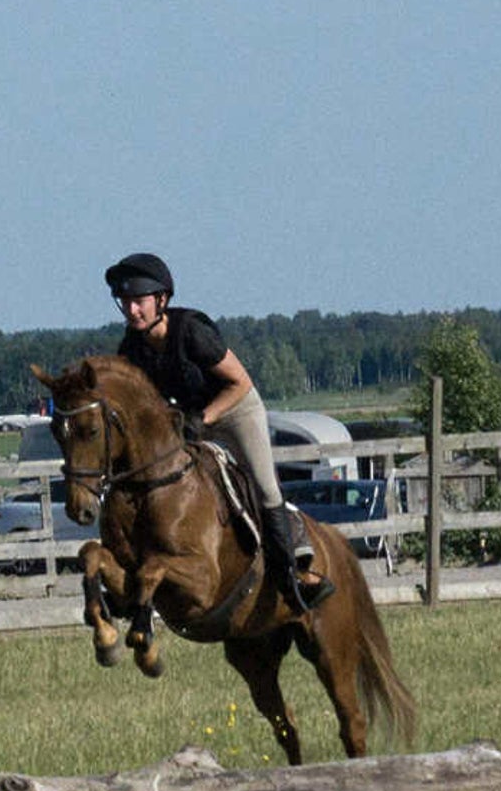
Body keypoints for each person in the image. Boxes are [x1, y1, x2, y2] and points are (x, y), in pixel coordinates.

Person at [104, 252, 334, 611]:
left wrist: (205, 418)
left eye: (139, 302)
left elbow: (240, 382)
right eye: (126, 302)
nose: (132, 310)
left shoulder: (193, 332)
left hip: (235, 411)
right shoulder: (132, 348)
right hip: (190, 422)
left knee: (262, 486)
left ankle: (293, 576)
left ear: (161, 300)